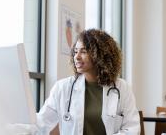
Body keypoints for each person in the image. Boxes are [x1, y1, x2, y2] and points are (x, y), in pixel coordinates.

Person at [11, 29, 140, 135]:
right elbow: (41, 123)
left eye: (83, 51)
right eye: (75, 51)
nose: (77, 57)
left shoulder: (122, 88)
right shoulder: (63, 88)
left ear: (100, 55)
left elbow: (131, 128)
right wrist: (10, 128)